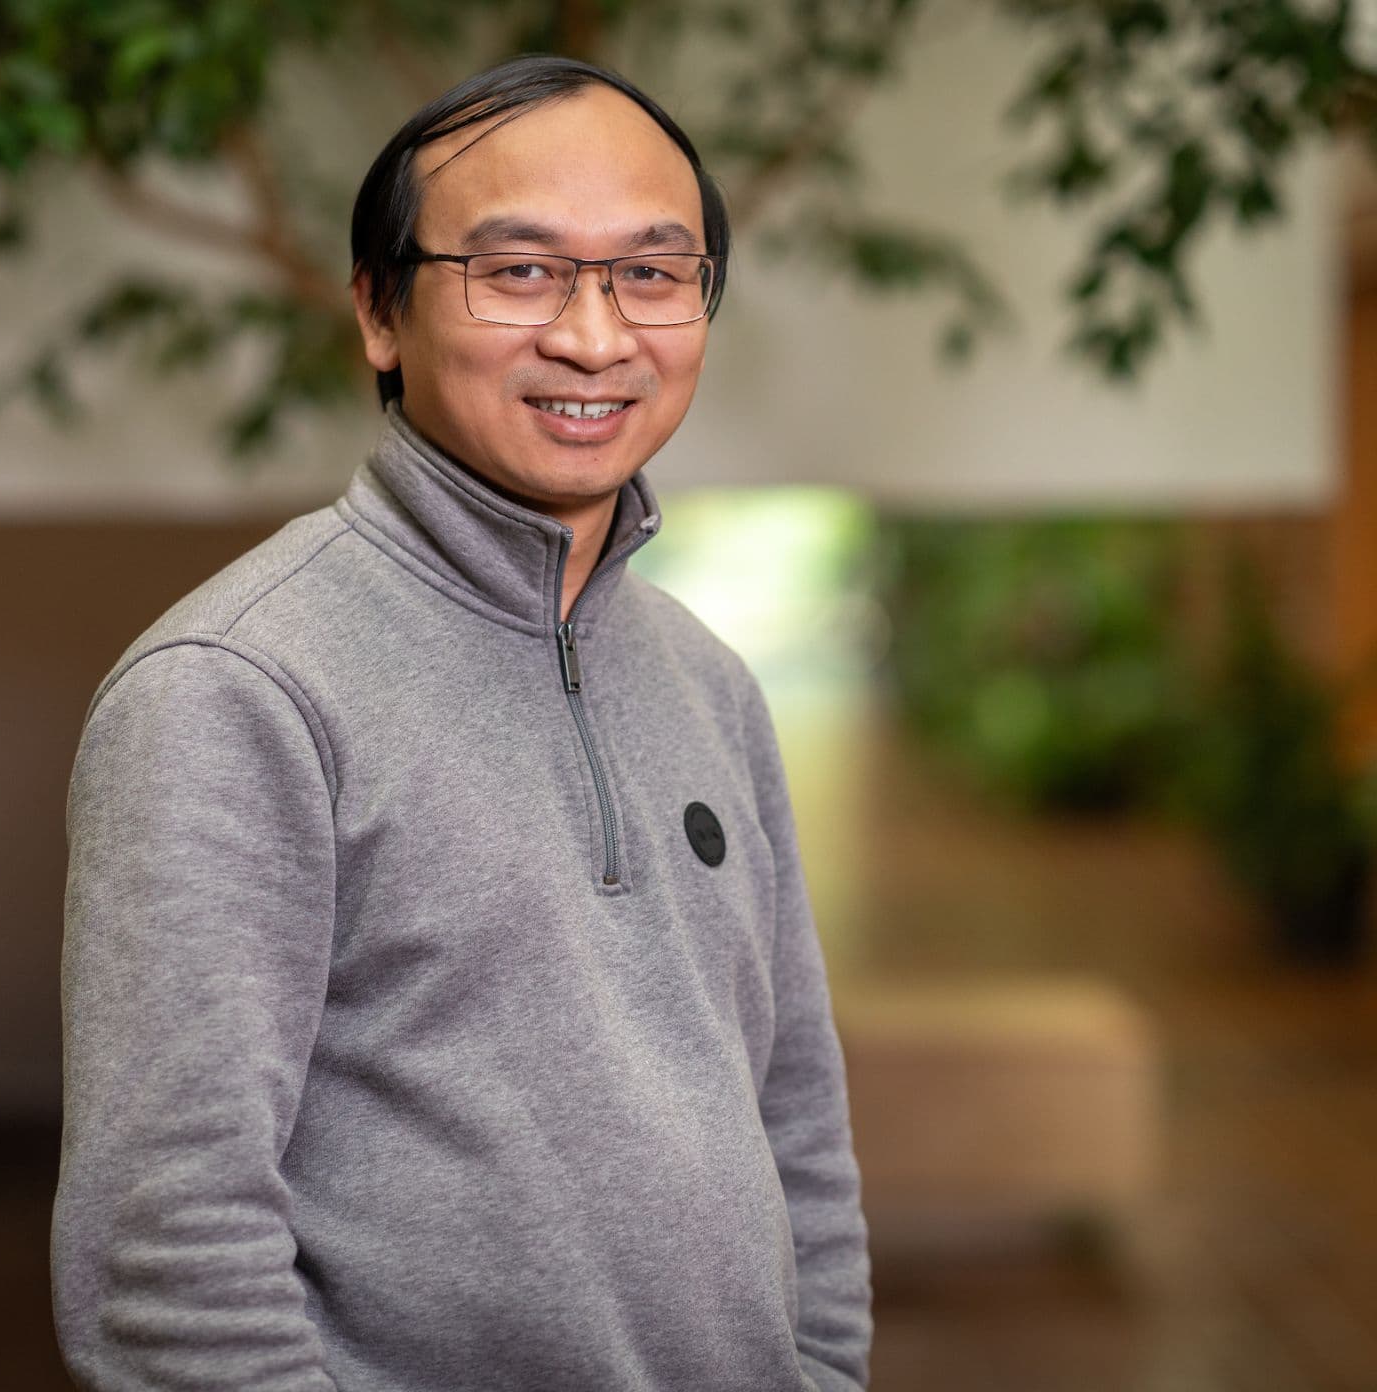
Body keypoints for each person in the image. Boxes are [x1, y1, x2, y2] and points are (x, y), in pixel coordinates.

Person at [53, 54, 872, 1392]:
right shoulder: (235, 686)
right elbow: (165, 1252)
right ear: (380, 310)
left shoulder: (708, 680)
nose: (597, 338)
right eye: (523, 271)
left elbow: (797, 1127)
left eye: (652, 274)